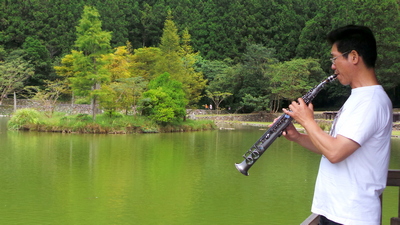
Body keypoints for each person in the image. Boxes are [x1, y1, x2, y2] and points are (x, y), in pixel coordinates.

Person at [281, 25, 392, 224]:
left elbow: (335, 152)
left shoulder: (371, 102)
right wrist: (297, 136)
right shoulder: (358, 98)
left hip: (352, 216)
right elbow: (330, 145)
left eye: (335, 58)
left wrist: (307, 121)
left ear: (354, 57)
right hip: (335, 212)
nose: (332, 66)